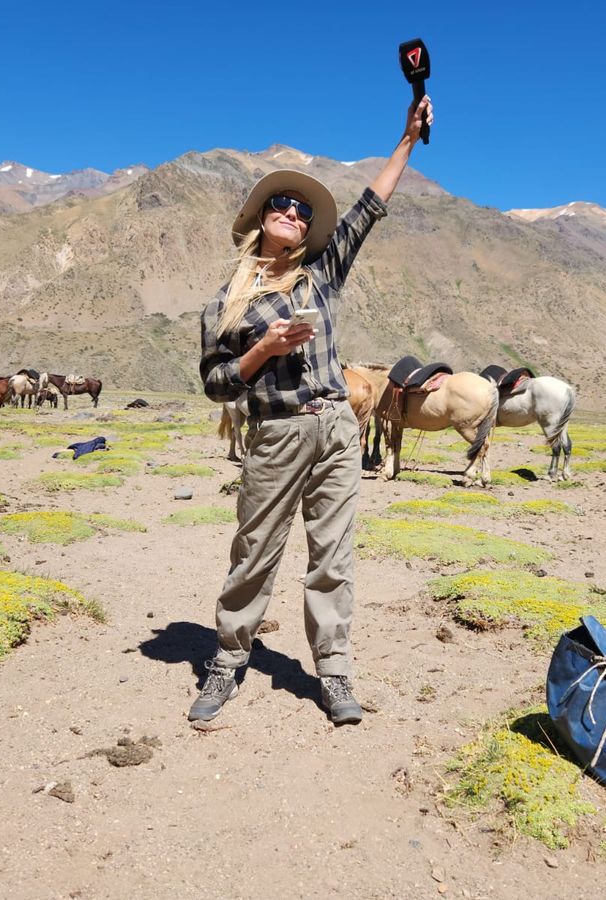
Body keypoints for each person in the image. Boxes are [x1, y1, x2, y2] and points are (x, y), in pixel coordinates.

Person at [193, 95, 435, 725]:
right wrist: (262, 352)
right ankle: (227, 661)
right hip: (275, 432)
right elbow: (217, 384)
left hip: (335, 429)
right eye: (283, 205)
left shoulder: (321, 276)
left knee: (333, 556)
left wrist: (406, 139)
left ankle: (334, 671)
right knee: (255, 550)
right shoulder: (227, 305)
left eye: (302, 211)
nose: (294, 213)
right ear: (260, 218)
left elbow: (368, 210)